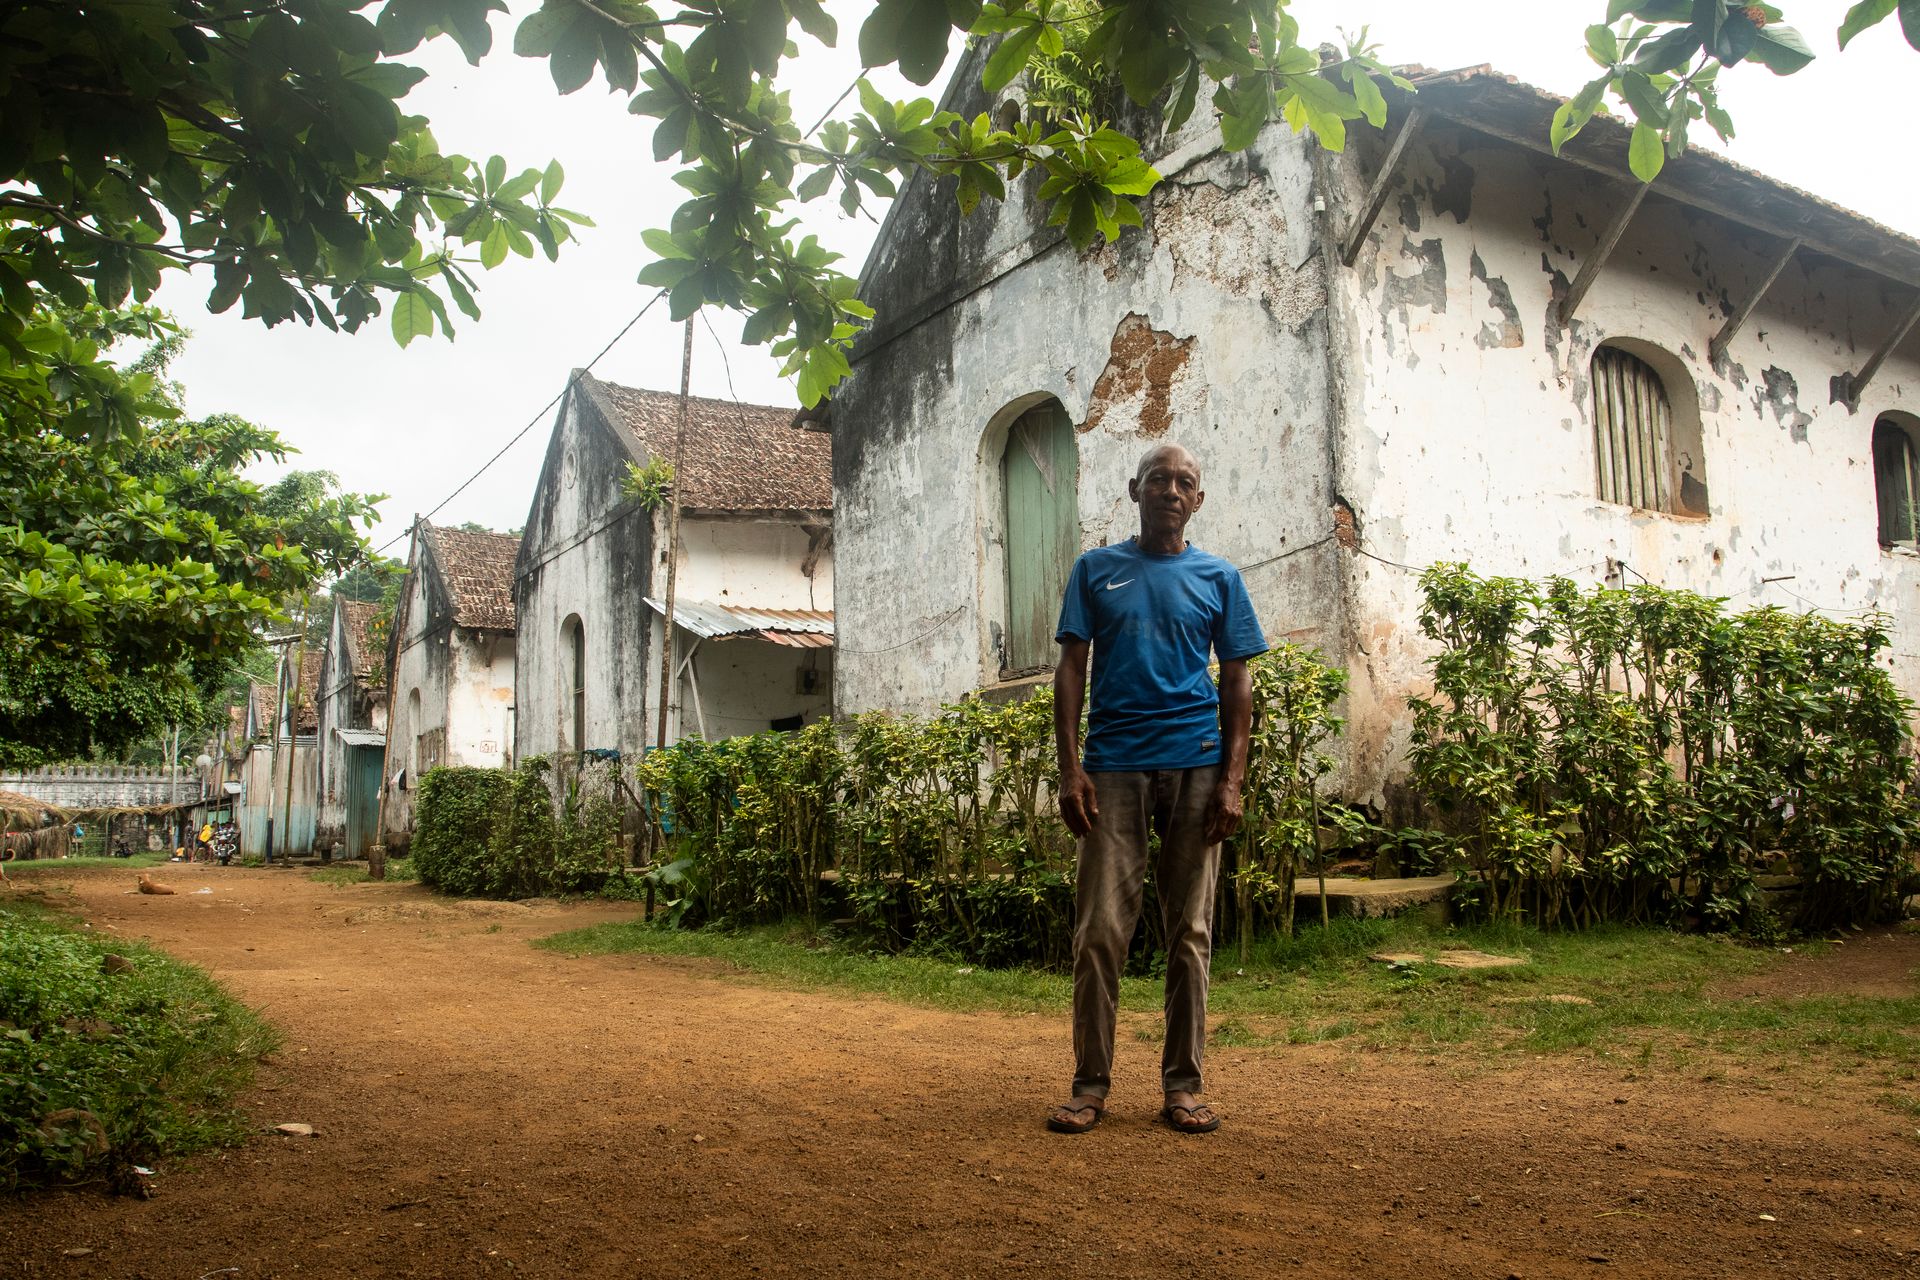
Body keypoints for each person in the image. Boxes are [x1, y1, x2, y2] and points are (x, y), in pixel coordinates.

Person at [1047, 442, 1267, 1136]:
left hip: (1197, 767)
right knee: (1099, 933)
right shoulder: (1096, 571)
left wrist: (1232, 782)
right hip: (1112, 766)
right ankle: (1089, 1084)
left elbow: (1237, 685)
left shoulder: (1219, 578)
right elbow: (1071, 670)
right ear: (1134, 490)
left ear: (1197, 500)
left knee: (1190, 932)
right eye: (1159, 479)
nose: (1171, 489)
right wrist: (1069, 766)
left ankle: (1183, 1085)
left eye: (1185, 482)